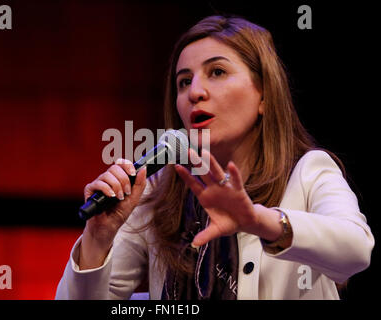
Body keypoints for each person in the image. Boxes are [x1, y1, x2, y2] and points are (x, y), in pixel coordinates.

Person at [55, 15, 374, 300]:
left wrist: (257, 221)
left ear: (264, 94)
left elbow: (356, 251)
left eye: (217, 72)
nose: (195, 92)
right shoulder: (158, 189)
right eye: (184, 81)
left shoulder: (308, 172)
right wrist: (98, 237)